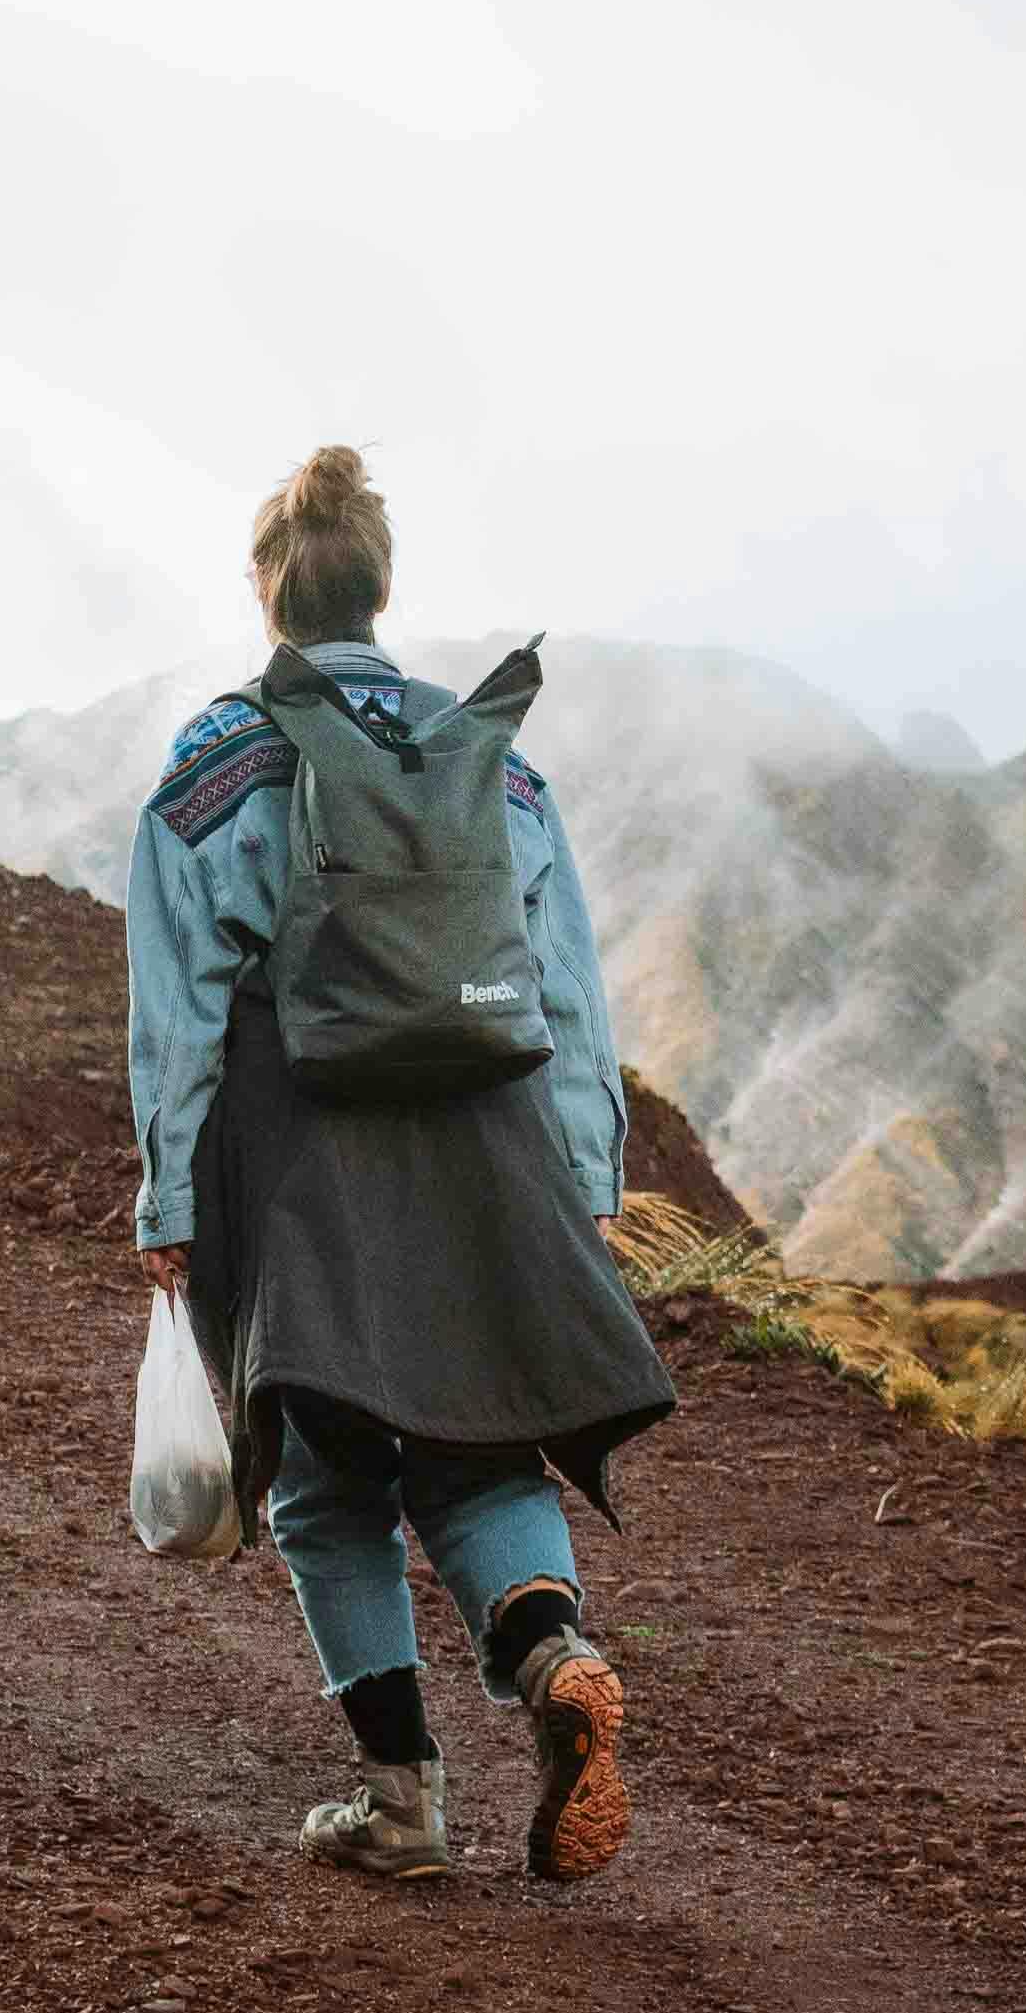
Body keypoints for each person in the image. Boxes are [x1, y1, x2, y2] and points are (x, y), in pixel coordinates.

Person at [128, 445, 676, 1883]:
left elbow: (178, 1006)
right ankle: (551, 1650)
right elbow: (565, 998)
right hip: (491, 1147)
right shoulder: (492, 762)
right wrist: (584, 1182)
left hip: (302, 1157)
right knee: (480, 1447)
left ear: (268, 592)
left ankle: (401, 1800)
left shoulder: (222, 761)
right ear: (382, 588)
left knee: (323, 1480)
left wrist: (168, 1197)